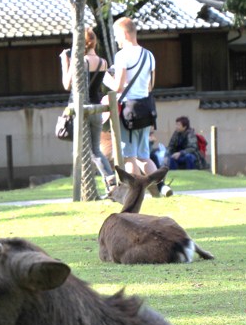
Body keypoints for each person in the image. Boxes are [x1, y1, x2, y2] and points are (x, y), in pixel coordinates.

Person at [105, 17, 172, 197]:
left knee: (129, 157)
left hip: (128, 112)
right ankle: (161, 188)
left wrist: (106, 78)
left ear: (125, 34)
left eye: (117, 35)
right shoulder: (149, 55)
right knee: (144, 156)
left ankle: (134, 194)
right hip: (145, 109)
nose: (116, 40)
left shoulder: (122, 56)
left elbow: (118, 87)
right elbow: (150, 85)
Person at [60, 28, 117, 193]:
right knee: (95, 150)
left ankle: (91, 185)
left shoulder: (80, 61)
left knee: (82, 151)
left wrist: (65, 62)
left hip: (81, 109)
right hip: (97, 108)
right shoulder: (103, 62)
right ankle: (109, 179)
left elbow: (67, 84)